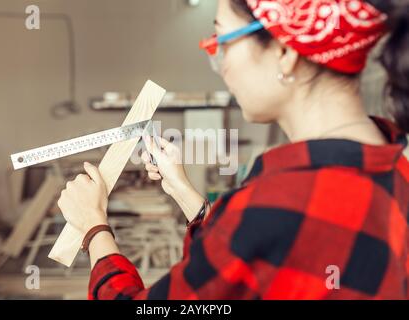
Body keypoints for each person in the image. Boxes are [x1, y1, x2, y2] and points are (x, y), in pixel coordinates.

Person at [57, 0, 409, 299]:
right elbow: (252, 257)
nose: (221, 66)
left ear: (285, 52)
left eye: (223, 41)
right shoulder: (395, 165)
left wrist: (94, 226)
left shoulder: (278, 205)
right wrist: (184, 193)